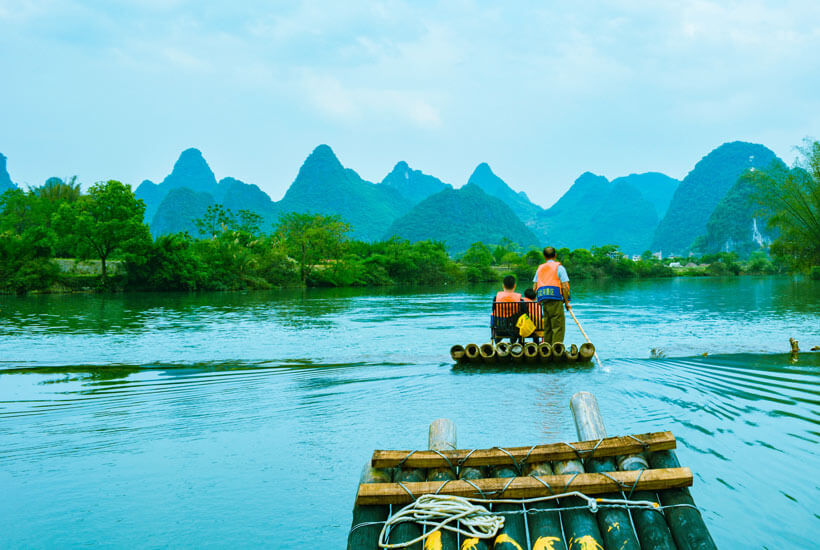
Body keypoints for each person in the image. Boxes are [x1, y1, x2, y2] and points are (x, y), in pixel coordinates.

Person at [532, 247, 571, 344]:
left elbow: (534, 287)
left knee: (548, 326)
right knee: (558, 327)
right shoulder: (559, 268)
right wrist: (566, 303)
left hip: (544, 300)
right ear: (555, 255)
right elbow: (565, 286)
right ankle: (556, 349)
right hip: (556, 300)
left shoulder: (540, 269)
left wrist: (537, 300)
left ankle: (546, 348)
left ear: (544, 256)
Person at [493, 275, 523, 343]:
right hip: (516, 331)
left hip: (499, 329)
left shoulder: (496, 298)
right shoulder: (519, 299)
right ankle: (515, 344)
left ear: (503, 285)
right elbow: (524, 313)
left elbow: (494, 310)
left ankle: (498, 345)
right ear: (514, 286)